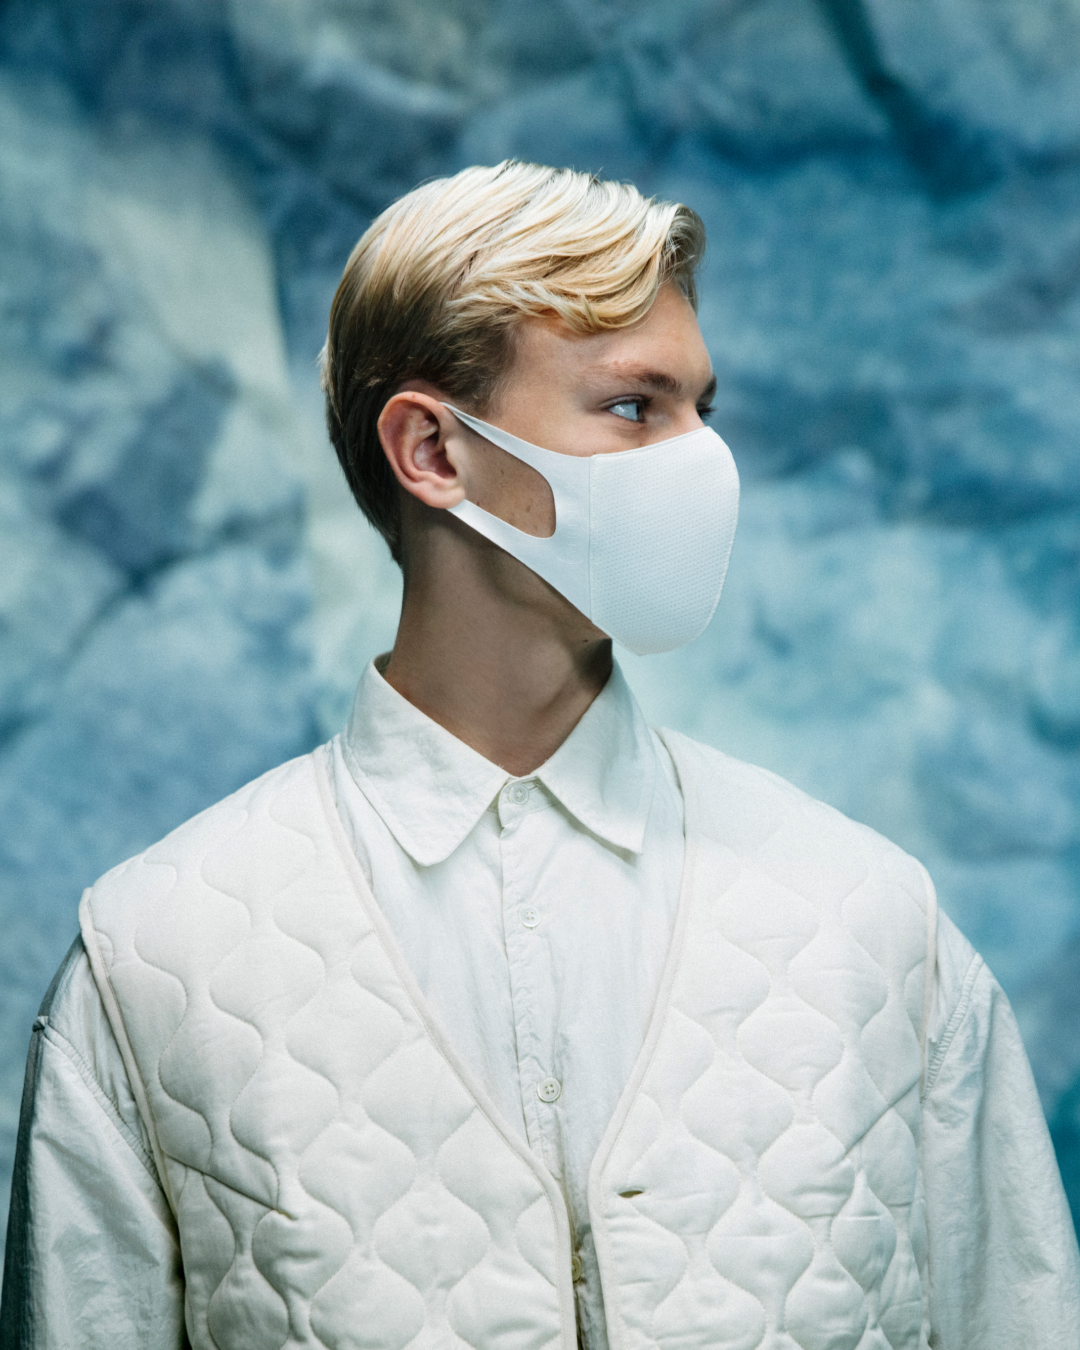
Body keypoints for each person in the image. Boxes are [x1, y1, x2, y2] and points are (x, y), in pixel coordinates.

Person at [2, 160, 1077, 1350]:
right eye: (635, 408)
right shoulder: (158, 961)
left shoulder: (873, 927)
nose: (701, 463)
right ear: (431, 450)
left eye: (702, 410)